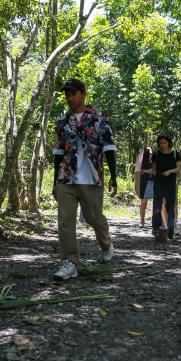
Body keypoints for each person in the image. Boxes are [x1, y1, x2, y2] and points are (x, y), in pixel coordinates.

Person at [51, 79, 118, 281]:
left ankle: (106, 244)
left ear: (83, 94)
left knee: (93, 218)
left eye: (73, 94)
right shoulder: (62, 123)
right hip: (66, 178)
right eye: (67, 95)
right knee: (65, 223)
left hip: (91, 178)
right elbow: (57, 154)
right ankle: (70, 262)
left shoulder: (99, 119)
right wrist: (55, 181)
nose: (69, 98)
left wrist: (114, 177)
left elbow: (109, 149)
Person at [151, 134, 181, 241]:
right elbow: (154, 169)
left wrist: (170, 171)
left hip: (170, 183)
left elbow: (178, 168)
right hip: (159, 182)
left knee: (170, 207)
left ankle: (170, 231)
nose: (162, 145)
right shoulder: (156, 153)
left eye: (164, 142)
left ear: (168, 142)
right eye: (160, 143)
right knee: (156, 207)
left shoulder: (175, 153)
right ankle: (157, 230)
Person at [134, 147, 154, 227]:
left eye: (151, 152)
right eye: (149, 153)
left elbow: (154, 170)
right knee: (144, 202)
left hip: (154, 182)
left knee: (157, 203)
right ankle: (142, 221)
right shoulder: (142, 162)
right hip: (144, 183)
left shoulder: (154, 160)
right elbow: (139, 172)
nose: (150, 153)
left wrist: (145, 171)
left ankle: (156, 221)